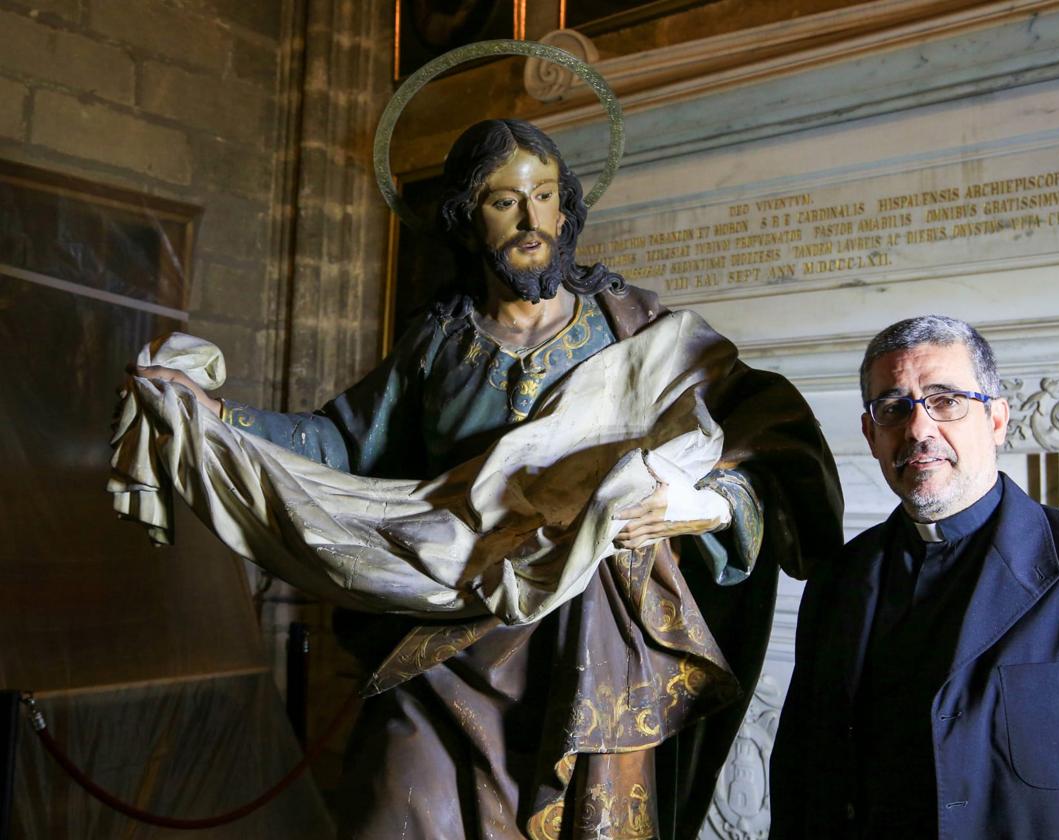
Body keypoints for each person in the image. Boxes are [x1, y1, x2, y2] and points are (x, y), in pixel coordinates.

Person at [133, 119, 844, 839]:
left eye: (544, 195)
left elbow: (763, 428)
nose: (531, 219)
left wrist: (712, 505)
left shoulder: (634, 328)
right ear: (468, 220)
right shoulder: (437, 344)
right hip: (448, 629)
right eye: (504, 201)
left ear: (566, 209)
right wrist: (218, 415)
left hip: (589, 643)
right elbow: (342, 440)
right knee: (395, 809)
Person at [770, 314, 1059, 839]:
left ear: (997, 419)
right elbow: (801, 783)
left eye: (945, 400)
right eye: (893, 407)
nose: (918, 428)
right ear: (871, 435)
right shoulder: (837, 581)